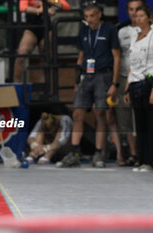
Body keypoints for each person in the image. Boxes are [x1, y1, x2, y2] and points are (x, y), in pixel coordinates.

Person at [57, 3, 120, 168]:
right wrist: (76, 80)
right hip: (86, 75)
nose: (89, 19)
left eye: (92, 16)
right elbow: (81, 56)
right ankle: (75, 152)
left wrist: (114, 83)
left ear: (99, 15)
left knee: (100, 113)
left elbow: (117, 58)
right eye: (86, 16)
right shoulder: (84, 31)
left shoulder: (109, 30)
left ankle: (99, 153)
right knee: (78, 113)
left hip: (103, 74)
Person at [116, 0, 145, 166]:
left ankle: (144, 154)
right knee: (125, 116)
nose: (134, 13)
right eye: (131, 10)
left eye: (138, 10)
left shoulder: (150, 31)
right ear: (127, 11)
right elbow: (117, 56)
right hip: (123, 77)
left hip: (143, 77)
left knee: (140, 117)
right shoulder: (121, 30)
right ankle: (134, 154)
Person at [124, 5, 153, 172]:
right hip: (134, 82)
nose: (138, 19)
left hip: (149, 79)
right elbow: (131, 65)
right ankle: (142, 160)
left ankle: (150, 160)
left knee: (150, 124)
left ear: (148, 17)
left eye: (142, 16)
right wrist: (127, 87)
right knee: (139, 124)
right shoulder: (134, 35)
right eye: (136, 16)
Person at [13, 0, 70, 82]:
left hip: (46, 28)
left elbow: (65, 6)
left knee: (46, 56)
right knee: (21, 53)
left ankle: (44, 86)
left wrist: (53, 2)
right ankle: (15, 84)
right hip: (32, 27)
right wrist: (40, 10)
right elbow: (22, 7)